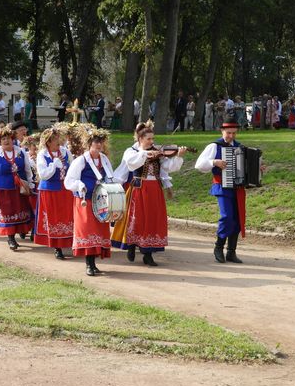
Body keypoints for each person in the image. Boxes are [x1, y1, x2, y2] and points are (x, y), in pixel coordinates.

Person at [111, 122, 186, 266]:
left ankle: (148, 254)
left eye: (153, 139)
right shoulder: (131, 151)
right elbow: (131, 164)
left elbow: (168, 167)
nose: (152, 142)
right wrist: (145, 153)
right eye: (149, 139)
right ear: (140, 139)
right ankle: (132, 245)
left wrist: (178, 157)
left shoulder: (158, 152)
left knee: (152, 220)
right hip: (139, 189)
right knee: (137, 219)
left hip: (154, 189)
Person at [194, 111, 253, 264]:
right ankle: (218, 247)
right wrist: (214, 162)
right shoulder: (214, 146)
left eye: (234, 133)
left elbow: (246, 167)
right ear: (222, 131)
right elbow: (199, 165)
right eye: (228, 133)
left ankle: (231, 252)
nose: (231, 136)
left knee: (238, 218)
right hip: (221, 185)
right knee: (226, 217)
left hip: (237, 188)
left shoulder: (240, 147)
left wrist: (257, 169)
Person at [64, 128, 114, 276]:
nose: (99, 145)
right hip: (85, 200)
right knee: (88, 231)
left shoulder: (104, 159)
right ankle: (88, 264)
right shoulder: (81, 160)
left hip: (101, 201)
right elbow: (69, 181)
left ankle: (94, 264)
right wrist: (79, 185)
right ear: (89, 143)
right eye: (96, 142)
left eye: (101, 142)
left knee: (99, 231)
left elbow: (111, 177)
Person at [34, 127, 73, 260]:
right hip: (50, 190)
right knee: (54, 218)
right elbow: (43, 175)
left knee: (65, 217)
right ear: (48, 142)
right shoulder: (42, 155)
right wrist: (53, 166)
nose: (58, 142)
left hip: (65, 190)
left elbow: (72, 169)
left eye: (58, 139)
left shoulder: (65, 152)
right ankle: (57, 247)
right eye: (55, 140)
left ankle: (67, 242)